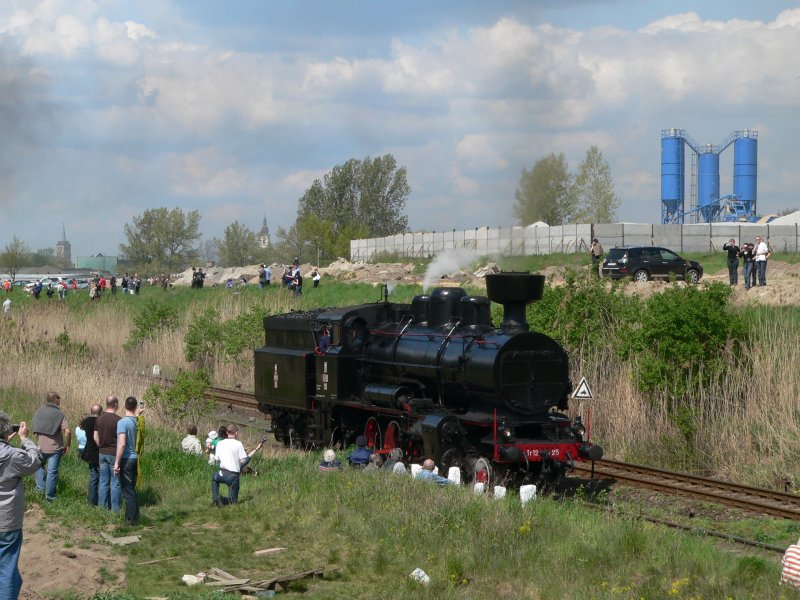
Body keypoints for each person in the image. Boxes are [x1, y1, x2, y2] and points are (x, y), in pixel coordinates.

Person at [0, 413, 42, 600]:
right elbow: (36, 460)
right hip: (6, 521)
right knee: (7, 570)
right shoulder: (13, 455)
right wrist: (25, 439)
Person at [211, 424, 264, 507]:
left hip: (220, 474)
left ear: (227, 432)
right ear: (236, 433)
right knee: (233, 501)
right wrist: (256, 449)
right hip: (232, 477)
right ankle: (220, 499)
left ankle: (215, 499)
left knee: (215, 478)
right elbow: (244, 460)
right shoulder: (238, 444)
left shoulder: (220, 443)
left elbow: (217, 459)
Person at [31, 392, 70, 501]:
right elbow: (67, 431)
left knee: (39, 467)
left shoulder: (39, 411)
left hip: (40, 447)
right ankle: (50, 497)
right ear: (55, 399)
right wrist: (68, 445)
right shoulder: (59, 414)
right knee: (52, 472)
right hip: (55, 449)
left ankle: (39, 490)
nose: (60, 400)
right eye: (59, 398)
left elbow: (35, 428)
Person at [113, 397, 141, 524]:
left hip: (126, 458)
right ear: (135, 407)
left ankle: (131, 519)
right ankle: (135, 516)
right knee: (132, 489)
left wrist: (116, 462)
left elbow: (122, 444)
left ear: (125, 406)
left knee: (127, 491)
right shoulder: (138, 421)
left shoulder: (122, 422)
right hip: (136, 458)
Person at [94, 396, 121, 511]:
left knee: (103, 481)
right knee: (115, 482)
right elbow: (121, 439)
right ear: (115, 404)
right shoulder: (118, 420)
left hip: (102, 453)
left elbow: (95, 437)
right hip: (114, 453)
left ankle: (102, 507)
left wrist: (101, 446)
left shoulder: (99, 419)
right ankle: (115, 509)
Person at [79, 405, 102, 506]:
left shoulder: (86, 422)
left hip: (89, 451)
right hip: (98, 450)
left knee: (93, 476)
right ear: (100, 412)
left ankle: (91, 501)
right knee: (102, 477)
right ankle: (101, 501)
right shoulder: (100, 422)